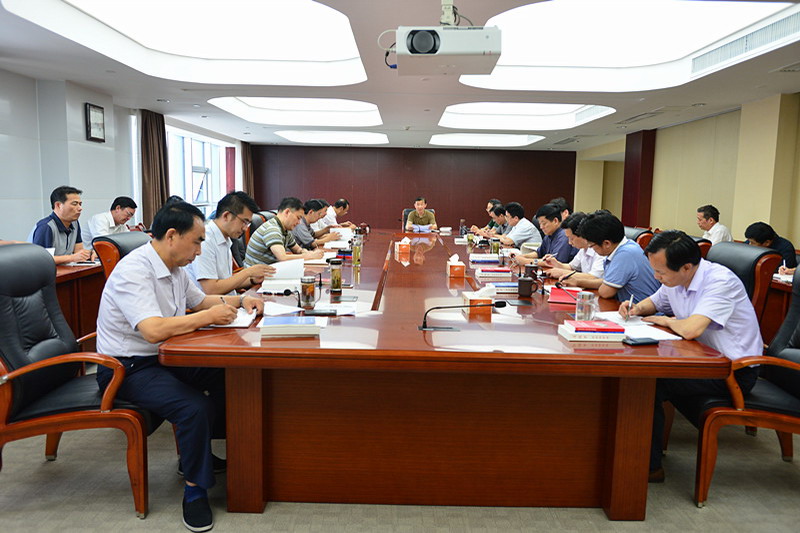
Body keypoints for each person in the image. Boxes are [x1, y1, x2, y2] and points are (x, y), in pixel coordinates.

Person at [95, 200, 265, 532]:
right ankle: (195, 491)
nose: (200, 250)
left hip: (165, 356)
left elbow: (200, 301)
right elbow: (153, 329)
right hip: (127, 368)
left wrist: (241, 300)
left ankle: (202, 456)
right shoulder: (135, 271)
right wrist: (208, 316)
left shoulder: (173, 267)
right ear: (172, 235)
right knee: (194, 407)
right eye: (197, 241)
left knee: (230, 376)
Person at [619, 230, 761, 483]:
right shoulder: (676, 279)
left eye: (661, 273)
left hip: (732, 371)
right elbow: (655, 302)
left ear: (686, 267)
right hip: (698, 359)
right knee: (639, 375)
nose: (656, 277)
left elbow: (691, 329)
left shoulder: (720, 282)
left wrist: (665, 320)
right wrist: (636, 308)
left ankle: (648, 467)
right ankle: (632, 449)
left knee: (646, 382)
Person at [186, 191, 275, 295]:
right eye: (244, 222)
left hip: (229, 300)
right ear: (226, 216)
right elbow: (211, 290)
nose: (245, 228)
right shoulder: (205, 241)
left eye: (248, 224)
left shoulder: (225, 238)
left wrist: (253, 280)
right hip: (215, 303)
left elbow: (226, 281)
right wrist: (248, 272)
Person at [580, 210, 661, 302]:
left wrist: (580, 282)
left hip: (642, 309)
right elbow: (607, 283)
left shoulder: (625, 254)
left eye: (591, 246)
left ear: (607, 243)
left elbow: (605, 292)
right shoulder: (626, 246)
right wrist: (578, 281)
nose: (592, 249)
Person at [244, 197, 324, 265]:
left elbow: (297, 249)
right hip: (256, 276)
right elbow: (283, 258)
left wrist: (306, 252)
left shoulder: (284, 229)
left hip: (269, 271)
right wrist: (309, 256)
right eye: (298, 218)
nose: (299, 222)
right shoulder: (272, 229)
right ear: (287, 212)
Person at [539, 211, 605, 289]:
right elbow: (572, 267)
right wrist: (556, 264)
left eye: (571, 238)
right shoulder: (583, 249)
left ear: (583, 235)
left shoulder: (599, 250)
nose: (569, 242)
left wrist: (562, 273)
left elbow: (594, 277)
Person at [31, 185, 92, 265]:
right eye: (74, 204)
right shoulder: (46, 226)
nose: (80, 208)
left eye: (80, 204)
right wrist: (71, 258)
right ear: (58, 205)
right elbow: (41, 259)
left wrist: (89, 254)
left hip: (67, 269)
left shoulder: (74, 223)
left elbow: (79, 251)